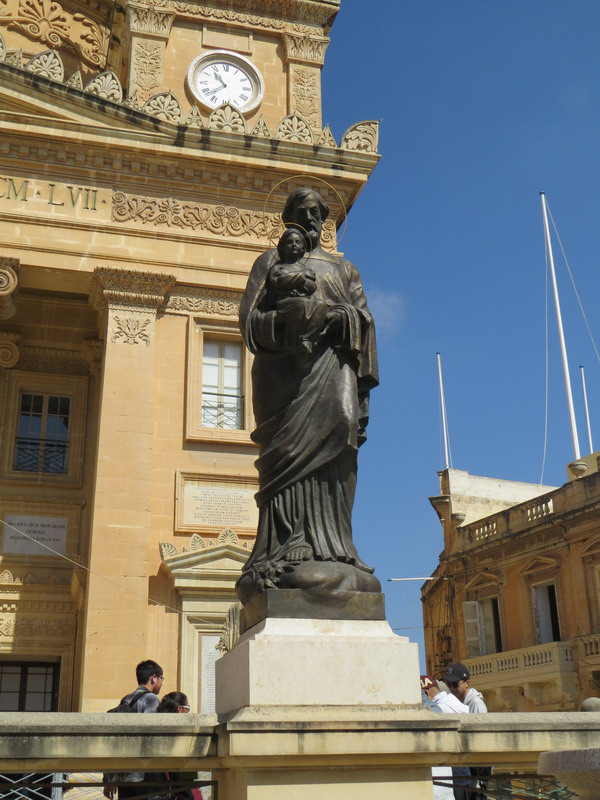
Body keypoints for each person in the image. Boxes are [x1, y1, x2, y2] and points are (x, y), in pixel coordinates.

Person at [237, 187, 380, 602]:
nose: (312, 218)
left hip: (333, 367)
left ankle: (337, 546)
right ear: (290, 218)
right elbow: (249, 320)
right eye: (303, 211)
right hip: (285, 375)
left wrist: (340, 318)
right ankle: (285, 545)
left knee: (342, 433)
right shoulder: (270, 262)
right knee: (286, 454)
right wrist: (286, 328)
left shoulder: (345, 269)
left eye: (318, 212)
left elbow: (365, 319)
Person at [103, 660, 164, 800]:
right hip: (141, 775)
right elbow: (150, 736)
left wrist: (110, 778)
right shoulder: (151, 699)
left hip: (123, 775)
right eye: (162, 678)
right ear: (154, 678)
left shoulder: (127, 699)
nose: (162, 682)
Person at [268, 228, 327, 357]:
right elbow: (278, 280)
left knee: (321, 305)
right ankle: (291, 341)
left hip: (304, 301)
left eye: (297, 242)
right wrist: (301, 277)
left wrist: (291, 279)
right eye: (289, 242)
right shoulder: (277, 267)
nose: (294, 245)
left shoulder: (307, 269)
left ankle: (307, 339)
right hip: (285, 303)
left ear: (302, 248)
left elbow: (311, 286)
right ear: (283, 247)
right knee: (299, 305)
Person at [442, 663, 490, 800]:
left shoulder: (476, 704)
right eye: (448, 684)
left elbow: (480, 739)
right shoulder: (457, 703)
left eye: (455, 684)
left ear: (467, 683)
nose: (451, 688)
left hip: (476, 772)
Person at [421, 676, 469, 800]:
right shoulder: (453, 701)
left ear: (426, 693)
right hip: (462, 774)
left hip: (452, 778)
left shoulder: (439, 708)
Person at [147, 692, 199, 800]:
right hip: (166, 790)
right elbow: (180, 777)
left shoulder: (156, 728)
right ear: (179, 709)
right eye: (187, 709)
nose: (188, 713)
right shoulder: (177, 734)